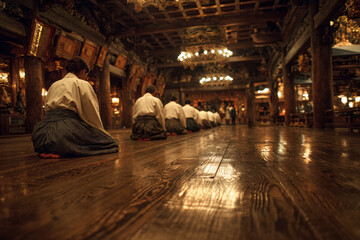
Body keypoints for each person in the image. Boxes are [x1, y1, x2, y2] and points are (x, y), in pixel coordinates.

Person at [32, 56, 119, 158]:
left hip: (41, 134)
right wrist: (101, 133)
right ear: (83, 71)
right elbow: (91, 113)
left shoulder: (54, 85)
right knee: (110, 143)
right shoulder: (82, 83)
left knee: (58, 138)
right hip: (65, 132)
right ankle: (61, 148)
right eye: (86, 74)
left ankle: (50, 148)